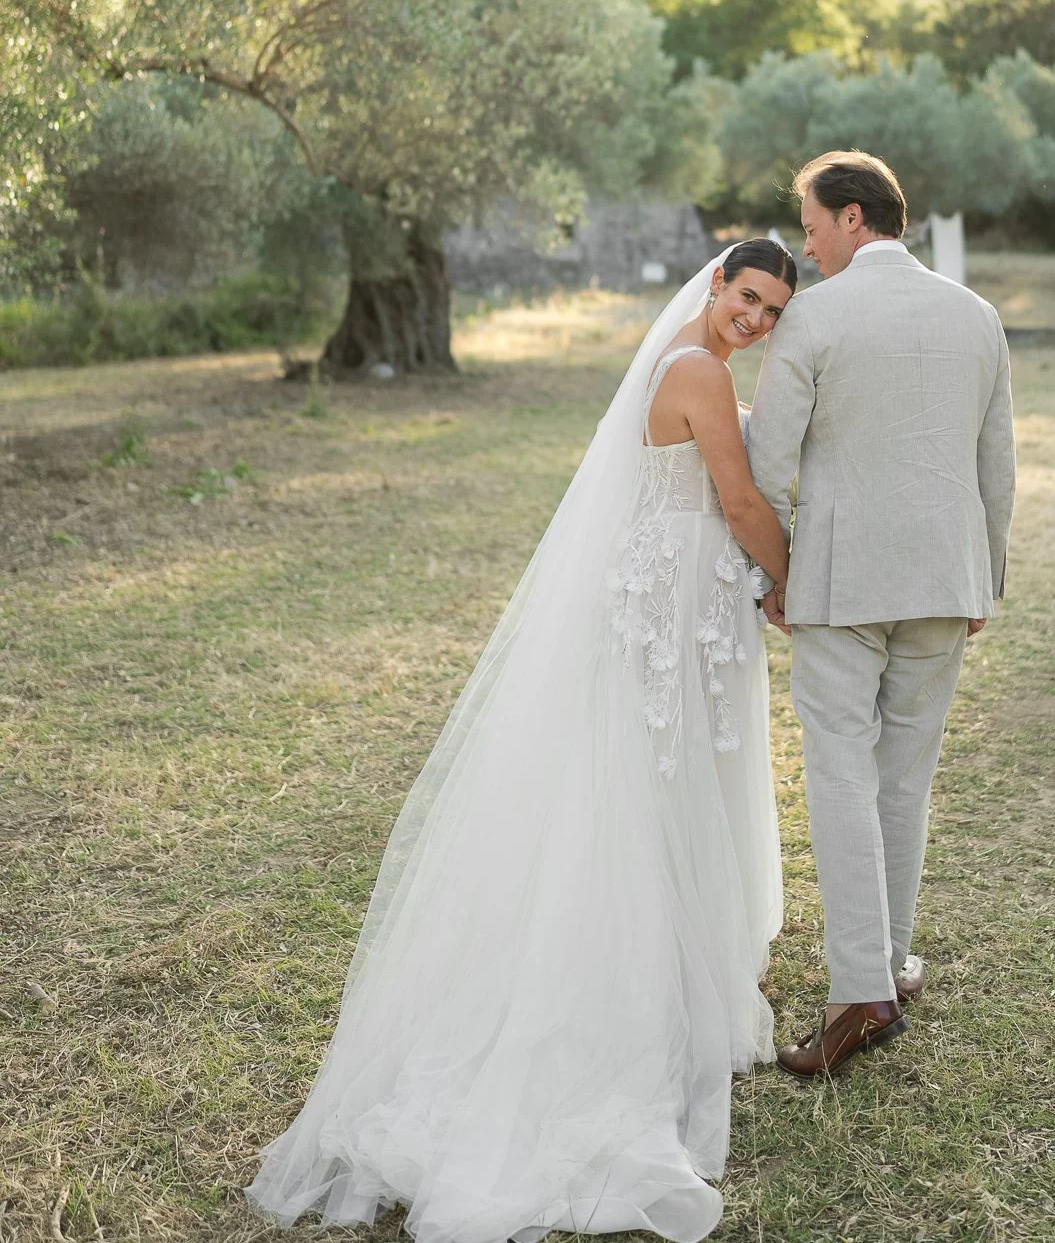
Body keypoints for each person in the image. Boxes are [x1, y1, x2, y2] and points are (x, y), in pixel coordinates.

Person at [247, 240, 797, 1243]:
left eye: (772, 311)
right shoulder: (696, 369)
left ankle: (672, 983)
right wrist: (791, 579)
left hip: (669, 602)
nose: (756, 319)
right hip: (671, 610)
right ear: (717, 283)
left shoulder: (679, 353)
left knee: (650, 790)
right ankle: (620, 1007)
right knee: (649, 795)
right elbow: (740, 499)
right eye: (749, 296)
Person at [747, 151, 1015, 1077]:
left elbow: (768, 458)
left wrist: (769, 573)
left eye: (816, 226)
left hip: (840, 580)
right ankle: (889, 965)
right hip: (945, 578)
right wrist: (988, 577)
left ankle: (859, 990)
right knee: (904, 776)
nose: (809, 246)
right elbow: (996, 464)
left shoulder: (818, 315)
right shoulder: (974, 314)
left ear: (856, 217)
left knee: (840, 779)